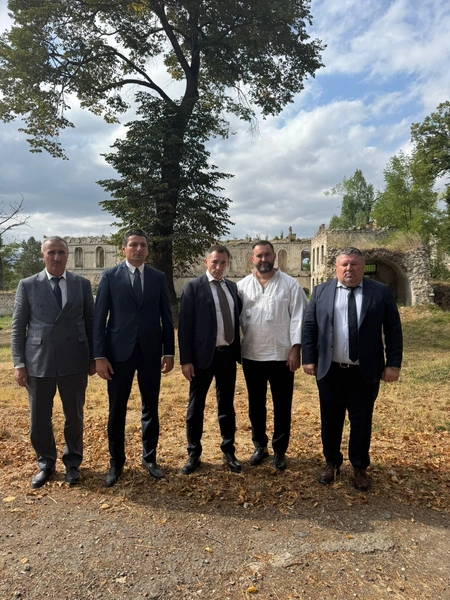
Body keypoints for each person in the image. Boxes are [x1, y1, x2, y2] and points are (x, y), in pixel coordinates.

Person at [302, 247, 403, 491]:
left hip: (364, 371)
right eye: (344, 264)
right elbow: (310, 326)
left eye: (354, 264)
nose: (349, 269)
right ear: (336, 268)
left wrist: (393, 363)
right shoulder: (321, 291)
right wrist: (309, 358)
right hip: (330, 370)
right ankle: (332, 462)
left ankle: (359, 467)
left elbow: (393, 329)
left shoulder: (379, 292)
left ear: (363, 267)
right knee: (330, 419)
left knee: (361, 421)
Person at [11, 236, 95, 489]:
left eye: (61, 252)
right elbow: (18, 327)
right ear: (43, 255)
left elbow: (91, 323)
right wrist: (19, 363)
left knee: (74, 417)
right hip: (39, 362)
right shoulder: (27, 285)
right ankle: (46, 463)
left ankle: (73, 463)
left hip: (75, 360)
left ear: (68, 255)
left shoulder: (81, 284)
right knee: (39, 419)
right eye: (51, 253)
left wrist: (94, 358)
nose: (56, 257)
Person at [93, 228, 174, 486]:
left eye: (143, 245)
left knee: (151, 407)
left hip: (150, 352)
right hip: (118, 354)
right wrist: (99, 356)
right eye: (134, 245)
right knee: (117, 409)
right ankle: (116, 462)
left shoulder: (157, 277)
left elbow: (166, 316)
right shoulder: (109, 276)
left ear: (147, 249)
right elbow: (99, 318)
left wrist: (169, 351)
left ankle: (149, 458)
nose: (139, 249)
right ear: (123, 248)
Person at [237, 240, 308, 471]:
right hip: (252, 354)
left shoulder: (290, 285)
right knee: (256, 405)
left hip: (281, 355)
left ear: (274, 256)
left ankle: (279, 450)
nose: (263, 259)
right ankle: (260, 445)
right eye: (259, 256)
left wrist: (295, 349)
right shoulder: (242, 287)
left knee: (282, 405)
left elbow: (299, 318)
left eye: (267, 255)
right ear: (252, 258)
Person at [178, 245, 242, 474]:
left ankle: (228, 451)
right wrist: (186, 360)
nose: (218, 266)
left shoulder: (232, 288)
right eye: (214, 262)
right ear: (206, 262)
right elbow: (184, 326)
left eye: (223, 262)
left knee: (227, 406)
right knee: (196, 407)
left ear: (228, 264)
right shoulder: (194, 287)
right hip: (201, 358)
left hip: (227, 355)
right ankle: (193, 453)